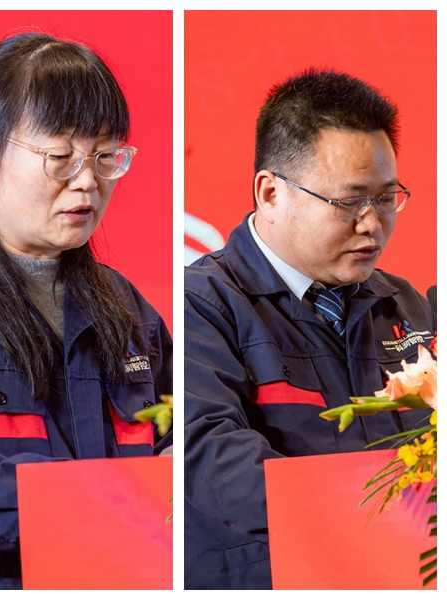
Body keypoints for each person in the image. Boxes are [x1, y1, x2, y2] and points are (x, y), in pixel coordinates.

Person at [0, 32, 173, 590]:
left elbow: (181, 444)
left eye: (105, 157)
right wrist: (97, 500)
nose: (87, 181)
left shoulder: (129, 309)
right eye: (60, 157)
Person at [184, 68, 436, 589]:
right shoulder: (202, 305)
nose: (372, 223)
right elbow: (208, 454)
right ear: (270, 193)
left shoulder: (405, 304)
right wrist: (376, 519)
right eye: (349, 201)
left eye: (385, 198)